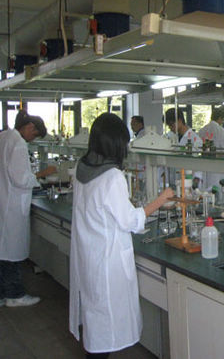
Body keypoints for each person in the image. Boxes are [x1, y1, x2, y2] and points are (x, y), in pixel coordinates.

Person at [69, 113, 174, 358]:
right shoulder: (112, 176)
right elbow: (130, 221)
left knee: (96, 322)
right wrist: (161, 200)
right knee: (106, 327)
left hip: (90, 256)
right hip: (108, 262)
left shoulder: (83, 169)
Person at [0, 111, 56, 307]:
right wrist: (43, 173)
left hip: (4, 201)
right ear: (30, 127)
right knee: (11, 253)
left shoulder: (4, 136)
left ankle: (3, 295)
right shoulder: (18, 144)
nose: (33, 139)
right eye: (35, 134)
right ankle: (15, 295)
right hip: (12, 205)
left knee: (3, 252)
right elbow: (21, 179)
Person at [164, 108, 203, 187]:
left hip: (188, 181)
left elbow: (199, 163)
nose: (170, 128)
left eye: (171, 125)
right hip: (173, 181)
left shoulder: (195, 139)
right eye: (168, 126)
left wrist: (196, 180)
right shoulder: (170, 136)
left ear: (179, 121)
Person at [198, 107, 224, 189]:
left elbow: (199, 146)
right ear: (219, 118)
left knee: (206, 189)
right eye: (222, 120)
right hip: (218, 165)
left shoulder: (202, 130)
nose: (222, 122)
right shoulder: (221, 131)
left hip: (204, 164)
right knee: (218, 189)